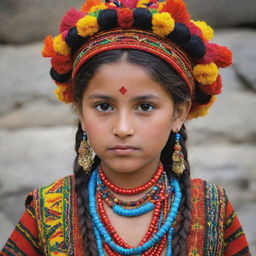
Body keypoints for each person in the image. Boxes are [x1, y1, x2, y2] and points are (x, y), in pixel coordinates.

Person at [0, 0, 251, 255]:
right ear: (80, 111)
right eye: (103, 106)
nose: (122, 128)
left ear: (179, 113)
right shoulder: (47, 209)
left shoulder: (211, 209)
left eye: (144, 107)